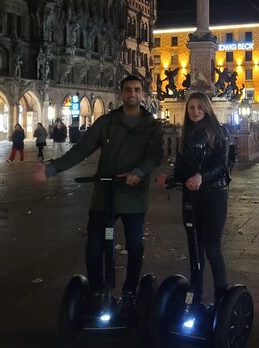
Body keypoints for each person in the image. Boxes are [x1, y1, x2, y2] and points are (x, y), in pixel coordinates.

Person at [33, 75, 163, 315]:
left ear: (143, 94)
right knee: (94, 246)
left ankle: (130, 292)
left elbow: (155, 154)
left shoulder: (152, 126)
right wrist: (52, 168)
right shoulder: (107, 122)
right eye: (127, 90)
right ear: (121, 93)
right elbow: (82, 149)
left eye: (136, 90)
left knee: (135, 246)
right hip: (105, 196)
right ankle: (96, 289)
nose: (132, 94)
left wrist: (140, 171)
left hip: (133, 197)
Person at [156, 91, 232, 306]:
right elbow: (181, 169)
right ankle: (195, 293)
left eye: (200, 107)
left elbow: (223, 166)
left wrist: (202, 176)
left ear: (207, 109)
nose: (195, 111)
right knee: (194, 248)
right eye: (191, 108)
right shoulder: (185, 136)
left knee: (212, 248)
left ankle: (221, 296)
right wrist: (169, 178)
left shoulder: (219, 132)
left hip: (214, 195)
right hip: (191, 198)